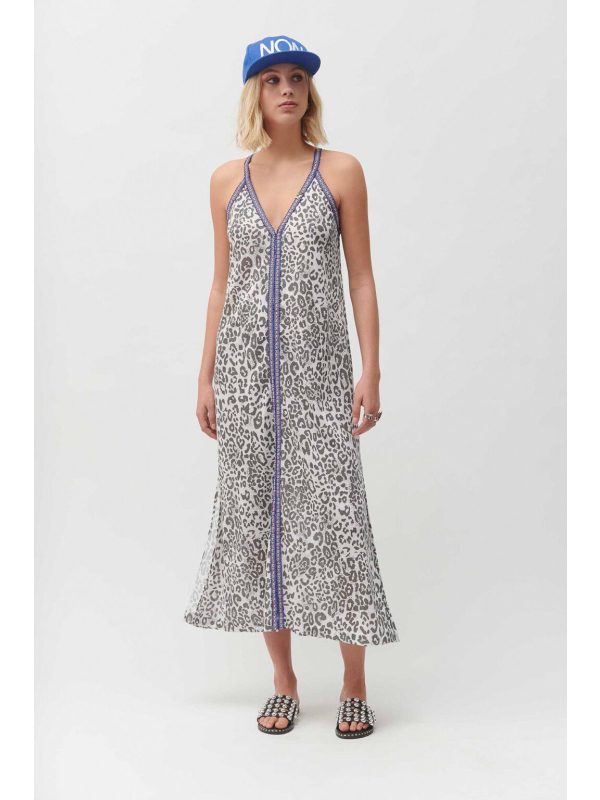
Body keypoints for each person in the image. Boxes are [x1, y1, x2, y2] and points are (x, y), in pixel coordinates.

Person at [183, 35, 399, 739]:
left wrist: (371, 368)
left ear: (310, 91)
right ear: (255, 93)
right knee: (260, 523)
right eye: (272, 79)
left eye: (297, 78)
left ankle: (355, 684)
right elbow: (221, 285)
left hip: (320, 380)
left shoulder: (341, 171)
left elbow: (360, 277)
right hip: (244, 380)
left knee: (337, 524)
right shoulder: (226, 180)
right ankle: (283, 682)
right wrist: (206, 375)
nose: (287, 89)